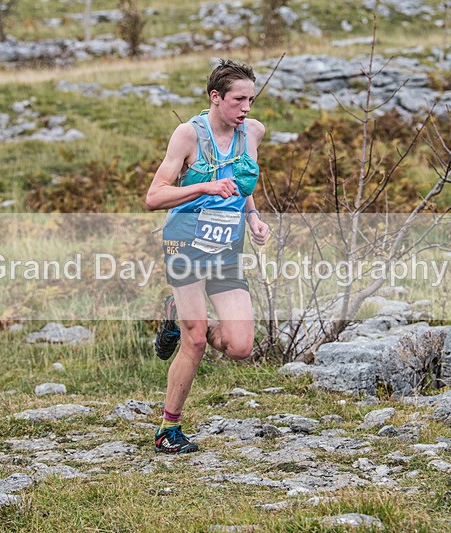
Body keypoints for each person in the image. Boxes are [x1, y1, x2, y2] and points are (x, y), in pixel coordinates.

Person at [145, 59, 269, 454]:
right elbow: (154, 197)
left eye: (251, 99)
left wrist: (253, 217)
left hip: (227, 245)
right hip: (185, 241)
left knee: (241, 346)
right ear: (215, 98)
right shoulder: (189, 136)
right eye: (238, 100)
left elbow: (243, 178)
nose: (246, 108)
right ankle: (168, 429)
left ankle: (177, 319)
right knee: (197, 341)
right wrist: (203, 189)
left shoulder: (252, 132)